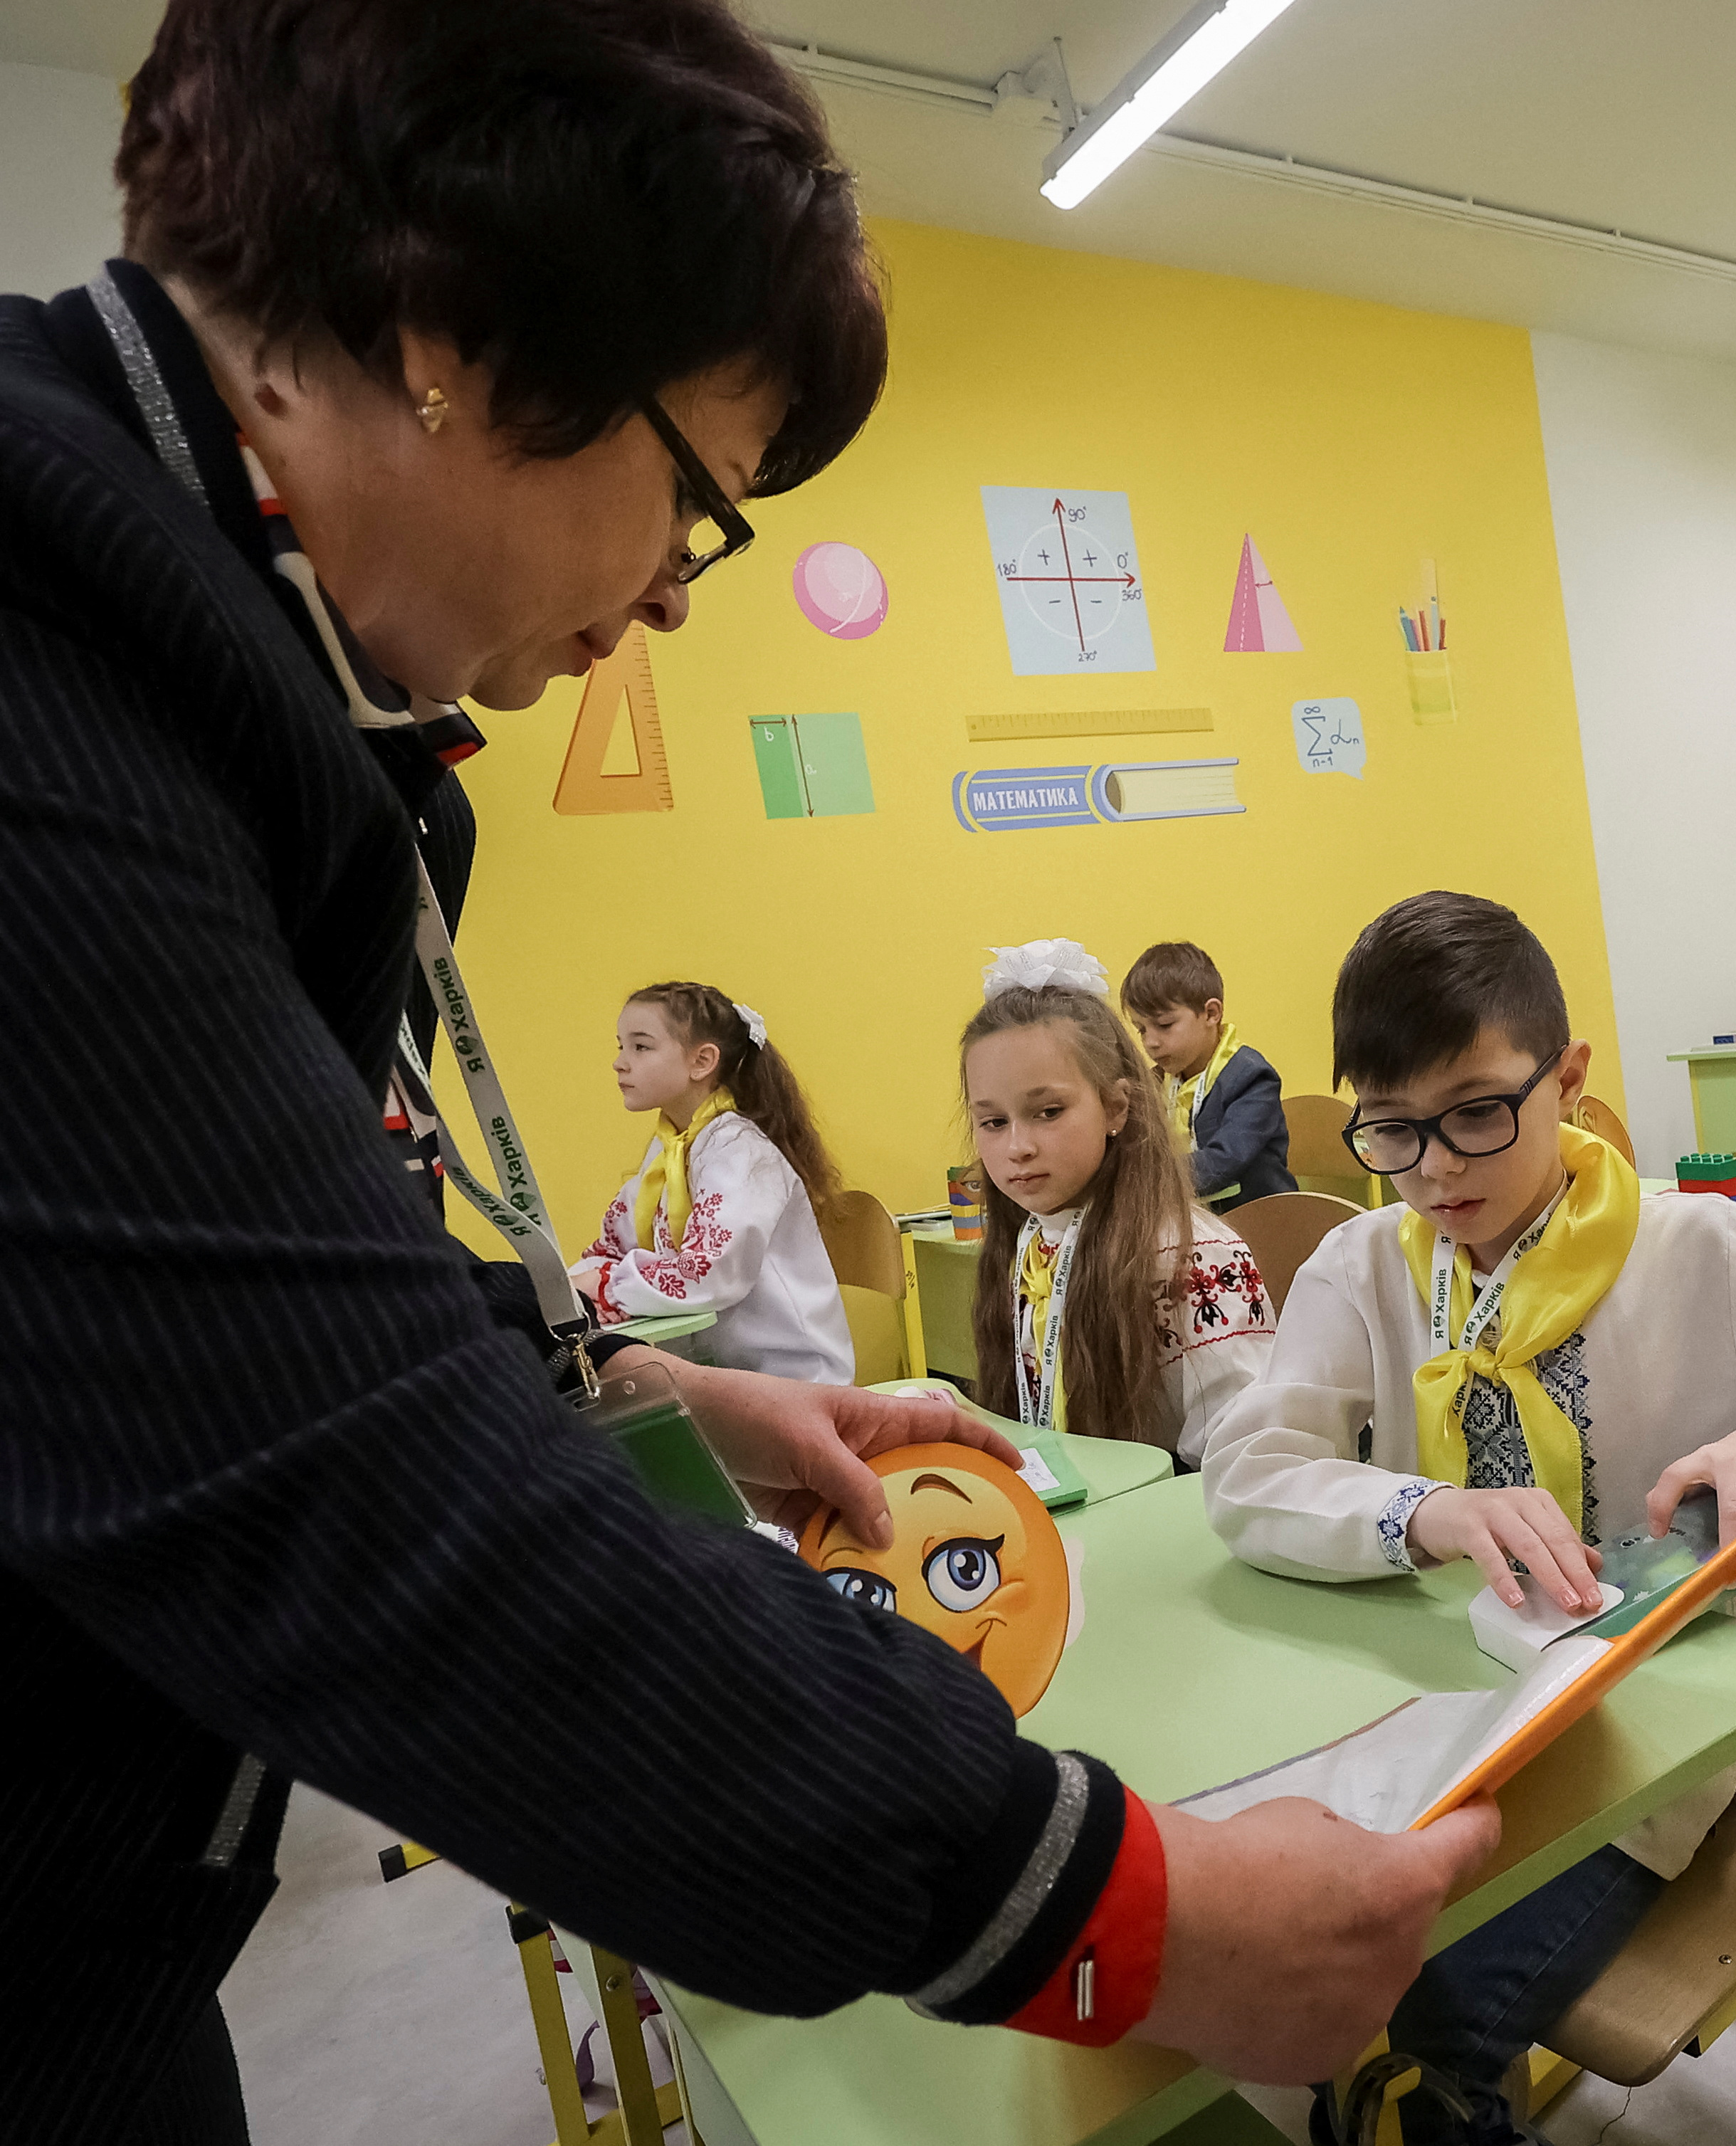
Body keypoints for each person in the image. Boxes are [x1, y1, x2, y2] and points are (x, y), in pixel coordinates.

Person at [0, 8, 1485, 2137]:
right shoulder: (47, 635)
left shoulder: (198, 653)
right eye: (696, 500)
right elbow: (357, 1501)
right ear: (450, 326)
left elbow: (250, 1294)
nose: (672, 603)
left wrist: (660, 1388)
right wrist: (1117, 1908)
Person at [1201, 892, 1736, 2146]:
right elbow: (1246, 1467)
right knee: (1301, 1974)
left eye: (1476, 1114)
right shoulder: (1369, 1265)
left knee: (1431, 2017)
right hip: (1431, 1719)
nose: (1437, 1171)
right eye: (1394, 1132)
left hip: (1647, 1751)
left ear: (1566, 1078)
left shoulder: (1690, 1252)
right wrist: (1424, 1512)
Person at [965, 940, 1275, 1465]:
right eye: (993, 1122)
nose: (1017, 1146)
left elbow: (1247, 1456)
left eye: (1048, 1111)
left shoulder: (1191, 1254)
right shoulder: (1030, 1240)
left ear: (1115, 1107)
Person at [572, 980, 855, 1383]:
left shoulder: (741, 1152)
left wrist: (606, 1287)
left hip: (795, 1378)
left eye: (641, 1047)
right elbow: (615, 1244)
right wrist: (570, 1286)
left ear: (702, 1061)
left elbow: (710, 1271)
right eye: (621, 1046)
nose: (620, 1062)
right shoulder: (671, 1145)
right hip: (725, 1372)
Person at [1123, 939, 1298, 1214]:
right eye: (1141, 1030)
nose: (1151, 1043)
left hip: (1260, 1223)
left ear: (1211, 1014)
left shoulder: (1252, 1078)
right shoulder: (1156, 1081)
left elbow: (1225, 1160)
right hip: (1194, 1220)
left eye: (1164, 1025)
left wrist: (1149, 1180)